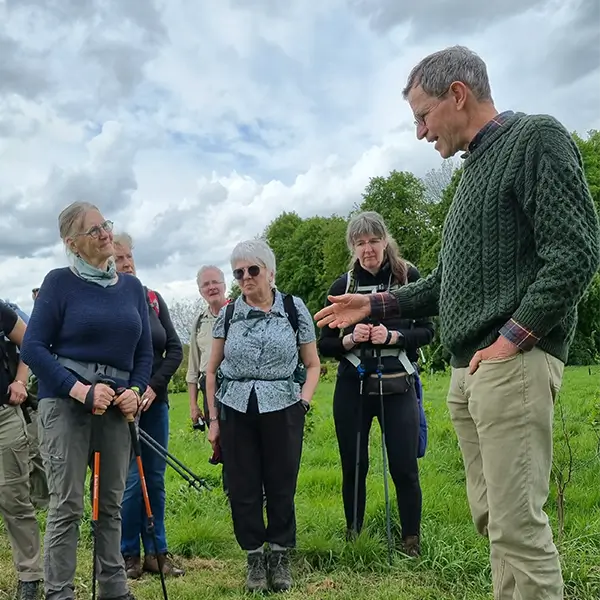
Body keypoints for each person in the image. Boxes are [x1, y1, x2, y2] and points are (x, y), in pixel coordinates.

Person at [314, 45, 600, 600]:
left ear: (458, 95)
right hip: (469, 373)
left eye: (423, 115)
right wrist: (371, 305)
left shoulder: (535, 138)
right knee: (495, 524)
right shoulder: (471, 177)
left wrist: (513, 339)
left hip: (509, 363)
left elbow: (575, 251)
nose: (420, 132)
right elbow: (447, 282)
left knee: (519, 527)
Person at [21, 201, 153, 600]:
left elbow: (144, 351)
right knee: (67, 505)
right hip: (65, 404)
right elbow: (32, 347)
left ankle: (113, 588)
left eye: (105, 225)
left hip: (117, 405)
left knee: (110, 502)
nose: (105, 234)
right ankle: (59, 591)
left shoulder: (132, 287)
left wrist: (134, 390)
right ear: (73, 243)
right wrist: (78, 390)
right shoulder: (59, 283)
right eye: (94, 230)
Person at [205, 239, 321, 593]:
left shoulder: (292, 307)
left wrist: (303, 401)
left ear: (270, 272)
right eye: (238, 272)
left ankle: (280, 554)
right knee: (243, 485)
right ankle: (254, 557)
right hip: (236, 408)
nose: (245, 278)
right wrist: (213, 420)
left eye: (252, 270)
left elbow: (313, 364)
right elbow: (211, 371)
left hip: (284, 406)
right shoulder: (228, 314)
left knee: (281, 483)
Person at [318, 211, 433, 555]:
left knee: (404, 464)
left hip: (398, 384)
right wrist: (351, 340)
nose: (368, 249)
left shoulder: (408, 276)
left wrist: (393, 335)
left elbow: (427, 330)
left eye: (373, 241)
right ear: (352, 247)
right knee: (354, 464)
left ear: (385, 241)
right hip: (353, 386)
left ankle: (411, 539)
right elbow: (324, 344)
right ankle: (356, 536)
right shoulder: (343, 286)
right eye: (360, 243)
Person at [113, 233, 185, 579]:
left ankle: (157, 551)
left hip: (155, 402)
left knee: (154, 479)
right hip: (120, 404)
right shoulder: (105, 302)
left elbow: (174, 348)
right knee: (129, 481)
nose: (126, 265)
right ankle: (127, 554)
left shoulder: (153, 299)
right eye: (117, 260)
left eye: (128, 257)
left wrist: (155, 388)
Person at [0, 301, 43, 600]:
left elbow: (30, 342)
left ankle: (30, 576)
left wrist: (20, 380)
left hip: (4, 416)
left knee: (13, 496)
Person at [186, 265, 229, 488]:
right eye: (206, 284)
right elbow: (193, 368)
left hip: (233, 384)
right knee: (217, 441)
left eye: (215, 282)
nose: (211, 288)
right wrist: (194, 405)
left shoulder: (237, 313)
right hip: (209, 387)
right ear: (200, 290)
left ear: (224, 285)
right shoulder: (199, 322)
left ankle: (241, 491)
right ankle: (231, 493)